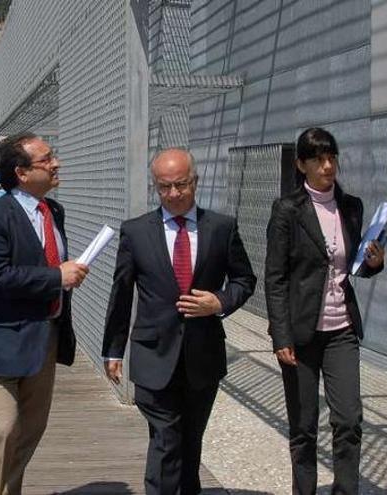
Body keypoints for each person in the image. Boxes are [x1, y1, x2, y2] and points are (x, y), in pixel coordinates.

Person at [102, 148, 256, 495]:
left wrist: (219, 302)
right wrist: (113, 350)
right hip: (153, 354)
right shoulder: (137, 232)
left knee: (190, 442)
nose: (173, 194)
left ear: (195, 182)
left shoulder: (221, 228)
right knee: (166, 439)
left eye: (181, 185)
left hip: (203, 357)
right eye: (164, 187)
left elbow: (245, 280)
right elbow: (122, 293)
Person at [0, 132, 89, 495]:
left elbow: (47, 261)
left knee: (30, 429)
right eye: (46, 159)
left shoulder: (54, 211)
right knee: (2, 429)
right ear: (21, 172)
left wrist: (67, 275)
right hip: (1, 340)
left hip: (45, 337)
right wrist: (55, 276)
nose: (55, 164)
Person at [265, 127, 385, 495]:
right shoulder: (287, 210)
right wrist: (280, 334)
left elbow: (354, 267)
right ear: (302, 164)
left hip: (342, 329)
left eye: (332, 157)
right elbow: (275, 278)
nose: (327, 166)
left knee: (349, 419)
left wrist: (374, 263)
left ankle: (345, 490)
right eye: (318, 159)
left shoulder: (351, 206)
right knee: (303, 427)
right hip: (300, 335)